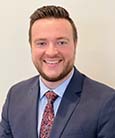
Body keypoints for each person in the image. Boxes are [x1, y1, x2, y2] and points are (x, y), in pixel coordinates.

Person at [0, 5, 115, 138]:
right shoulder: (15, 96)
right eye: (41, 43)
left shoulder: (107, 102)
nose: (51, 52)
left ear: (75, 44)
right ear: (31, 46)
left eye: (61, 42)